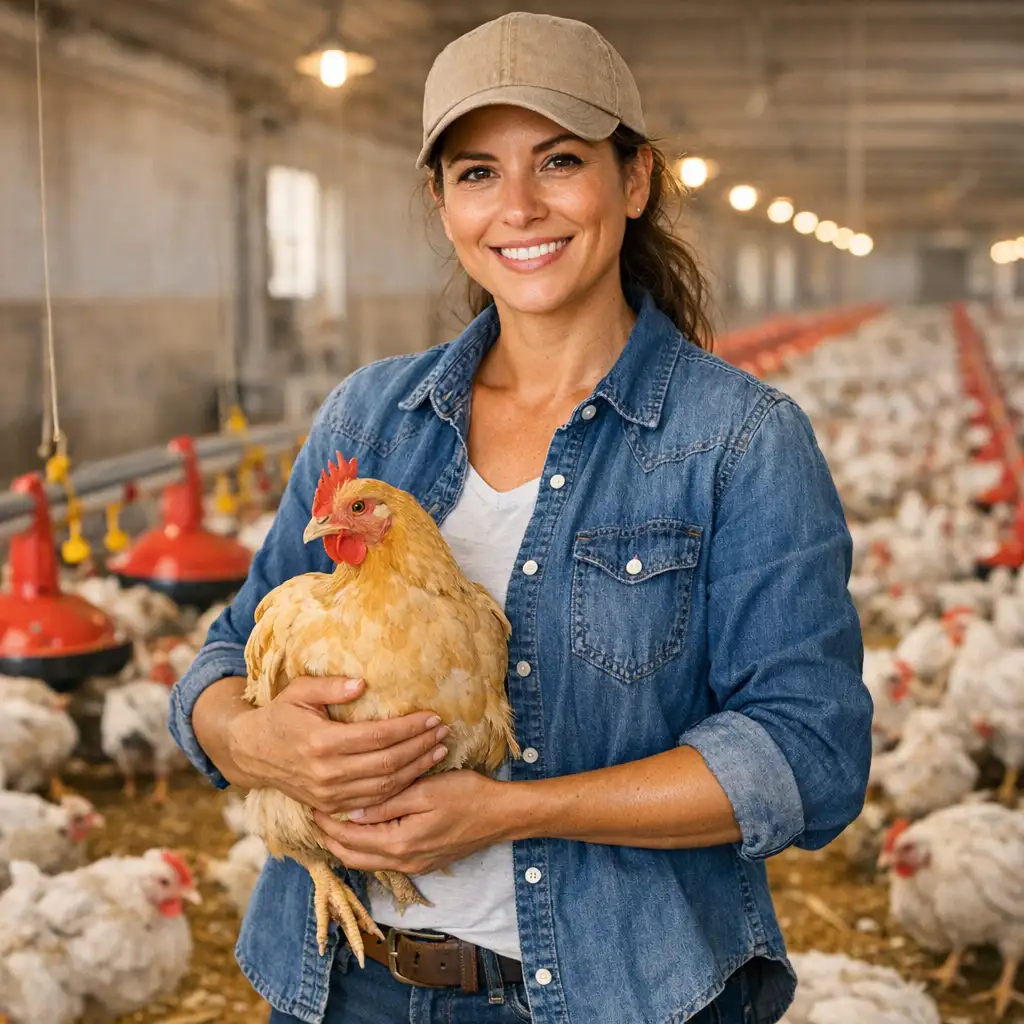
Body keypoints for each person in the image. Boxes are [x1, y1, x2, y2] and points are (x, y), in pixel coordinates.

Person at [169, 12, 872, 1024]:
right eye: (476, 172)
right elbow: (220, 659)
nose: (520, 207)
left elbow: (808, 752)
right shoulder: (368, 418)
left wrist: (510, 811)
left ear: (633, 183)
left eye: (559, 161)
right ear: (442, 201)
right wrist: (255, 740)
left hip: (621, 992)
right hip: (349, 980)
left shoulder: (739, 440)